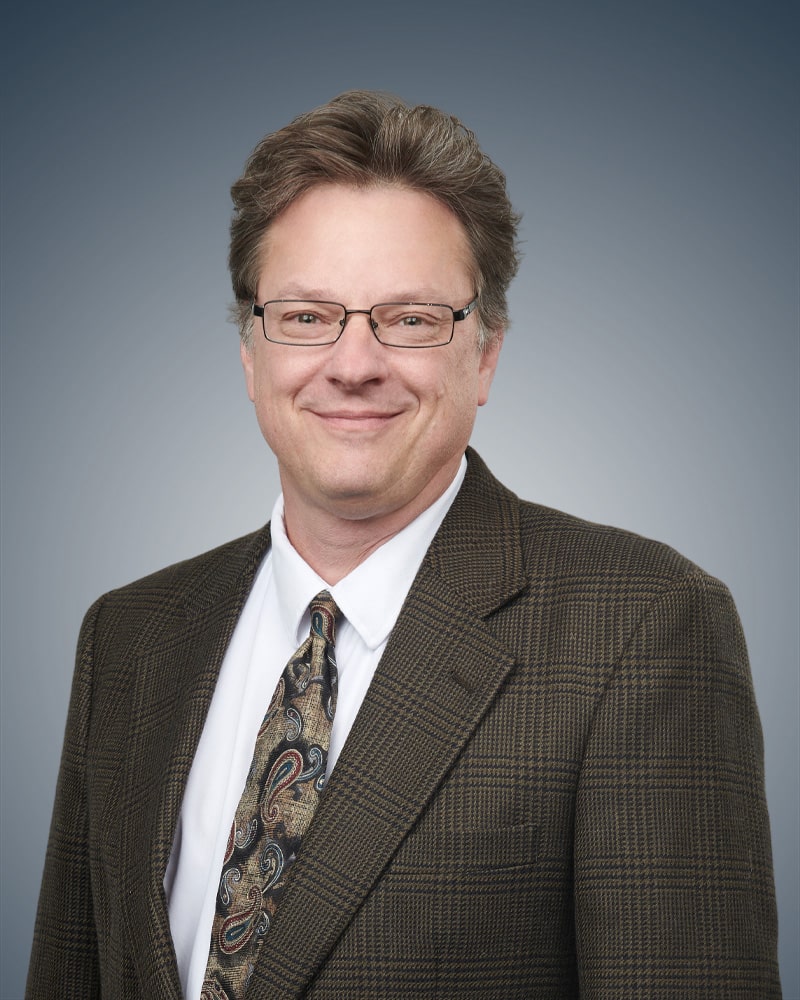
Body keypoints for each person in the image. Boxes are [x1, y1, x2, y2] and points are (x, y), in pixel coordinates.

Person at [27, 90, 780, 999]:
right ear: (250, 350)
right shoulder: (130, 636)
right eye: (306, 316)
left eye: (411, 319)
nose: (353, 363)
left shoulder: (643, 627)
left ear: (487, 351)